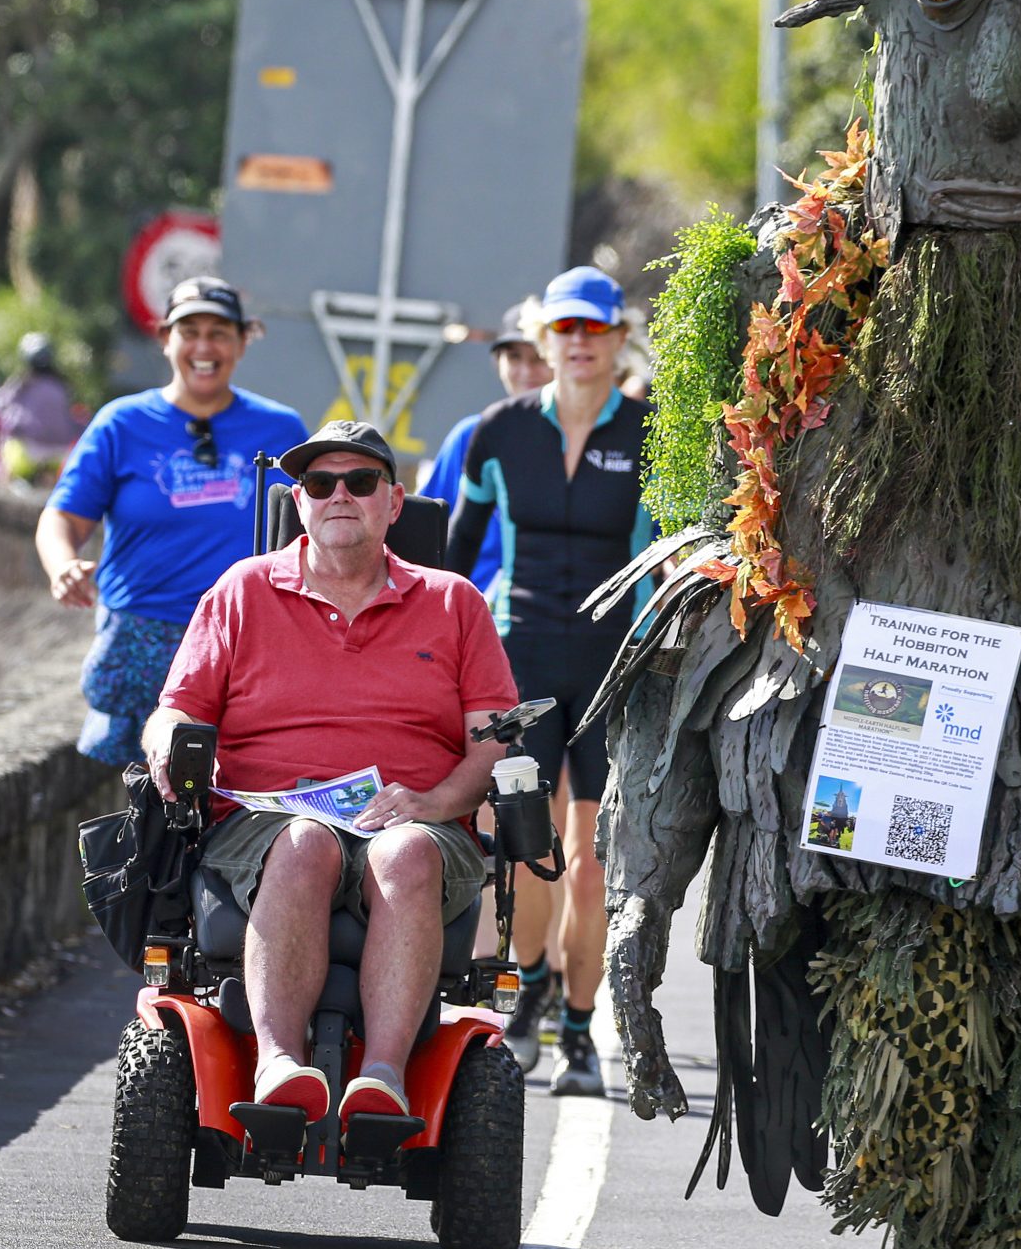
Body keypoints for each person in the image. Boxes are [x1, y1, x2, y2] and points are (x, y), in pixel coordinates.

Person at [141, 420, 516, 1130]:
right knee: (305, 841)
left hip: (417, 822)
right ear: (299, 501)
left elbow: (491, 746)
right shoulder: (242, 590)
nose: (339, 494)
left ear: (394, 502)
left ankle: (383, 1077)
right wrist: (169, 746)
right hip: (267, 821)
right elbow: (174, 710)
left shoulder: (454, 601)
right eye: (320, 483)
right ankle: (279, 1063)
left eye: (360, 481)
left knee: (404, 851)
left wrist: (434, 803)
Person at [441, 267, 653, 1098]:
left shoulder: (651, 431)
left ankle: (579, 1028)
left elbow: (668, 559)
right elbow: (453, 568)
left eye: (594, 330)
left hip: (609, 664)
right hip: (519, 660)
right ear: (544, 337)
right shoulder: (497, 432)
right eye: (564, 329)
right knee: (528, 853)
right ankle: (526, 995)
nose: (578, 343)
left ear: (616, 339)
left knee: (593, 862)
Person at [37, 277, 306, 766]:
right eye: (190, 331)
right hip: (139, 640)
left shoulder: (282, 430)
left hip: (244, 642)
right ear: (165, 339)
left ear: (244, 342)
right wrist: (63, 567)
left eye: (220, 332)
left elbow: (312, 533)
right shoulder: (120, 424)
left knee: (231, 793)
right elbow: (62, 517)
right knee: (131, 808)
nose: (204, 346)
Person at [418, 299, 553, 602]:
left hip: (545, 614)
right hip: (469, 610)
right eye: (513, 357)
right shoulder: (471, 434)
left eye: (538, 357)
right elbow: (426, 527)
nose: (525, 370)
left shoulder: (588, 441)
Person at [0, 331, 84, 484]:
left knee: (5, 451)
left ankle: (1, 487)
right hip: (60, 451)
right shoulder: (62, 385)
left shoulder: (22, 383)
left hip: (27, 450)